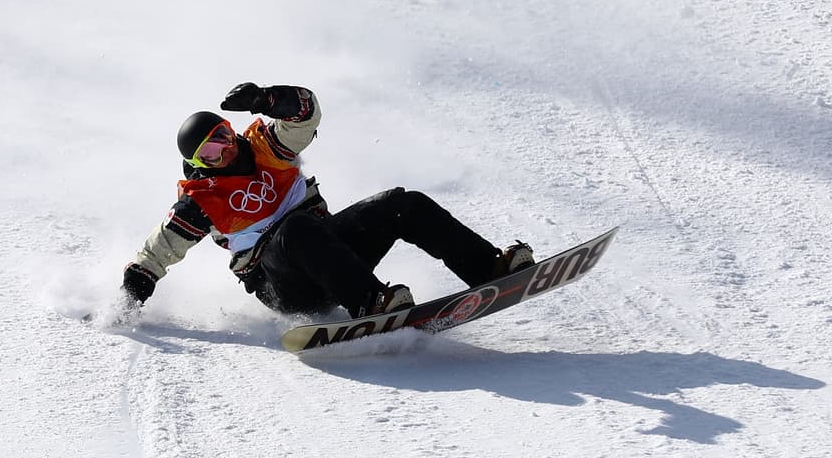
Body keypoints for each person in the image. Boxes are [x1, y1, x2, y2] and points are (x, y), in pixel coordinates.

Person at [120, 82, 535, 320]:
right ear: (198, 164)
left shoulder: (267, 147)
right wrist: (127, 301)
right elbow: (157, 252)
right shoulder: (201, 201)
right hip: (284, 284)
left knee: (401, 202)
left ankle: (488, 267)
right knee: (295, 228)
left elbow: (306, 114)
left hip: (332, 256)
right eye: (210, 153)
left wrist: (268, 100)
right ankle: (372, 303)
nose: (224, 151)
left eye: (224, 137)